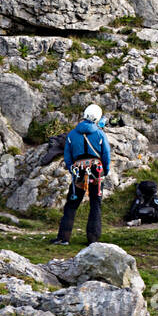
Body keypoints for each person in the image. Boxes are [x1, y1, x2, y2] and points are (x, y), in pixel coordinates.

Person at [52, 103, 111, 245]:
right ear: (97, 118)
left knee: (71, 205)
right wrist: (105, 171)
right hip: (96, 172)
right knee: (95, 204)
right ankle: (93, 239)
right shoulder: (99, 133)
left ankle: (63, 237)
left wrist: (72, 170)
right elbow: (106, 155)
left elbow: (67, 156)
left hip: (78, 171)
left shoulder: (72, 134)